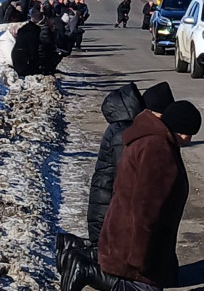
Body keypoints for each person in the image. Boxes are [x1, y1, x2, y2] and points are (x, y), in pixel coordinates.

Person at [58, 83, 176, 284]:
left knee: (104, 252)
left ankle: (66, 249)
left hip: (105, 204)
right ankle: (75, 259)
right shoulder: (130, 132)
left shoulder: (126, 126)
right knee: (111, 260)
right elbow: (129, 182)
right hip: (108, 209)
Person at [79, 101, 201, 291]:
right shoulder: (158, 149)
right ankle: (86, 272)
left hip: (125, 232)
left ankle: (86, 270)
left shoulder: (149, 139)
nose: (189, 139)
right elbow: (146, 208)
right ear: (176, 127)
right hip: (135, 241)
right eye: (187, 132)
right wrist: (139, 257)